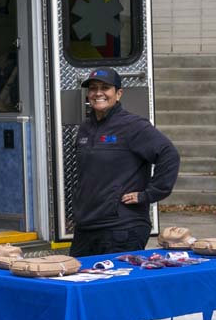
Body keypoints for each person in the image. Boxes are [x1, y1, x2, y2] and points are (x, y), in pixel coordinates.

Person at [69, 67, 180, 258]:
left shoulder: (133, 126)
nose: (98, 93)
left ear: (118, 94)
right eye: (93, 88)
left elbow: (169, 155)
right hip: (87, 226)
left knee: (114, 286)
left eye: (105, 88)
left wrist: (150, 194)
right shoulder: (85, 128)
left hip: (122, 228)